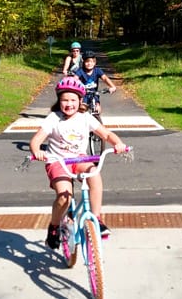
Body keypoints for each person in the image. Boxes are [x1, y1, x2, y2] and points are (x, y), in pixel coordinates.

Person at [29, 76, 127, 249]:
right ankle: (53, 227)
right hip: (57, 161)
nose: (69, 104)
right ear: (59, 100)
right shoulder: (54, 118)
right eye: (64, 100)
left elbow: (106, 134)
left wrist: (118, 143)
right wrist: (37, 151)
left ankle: (96, 219)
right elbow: (36, 140)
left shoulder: (85, 117)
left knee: (95, 176)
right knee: (65, 198)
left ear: (80, 100)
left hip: (79, 159)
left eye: (73, 100)